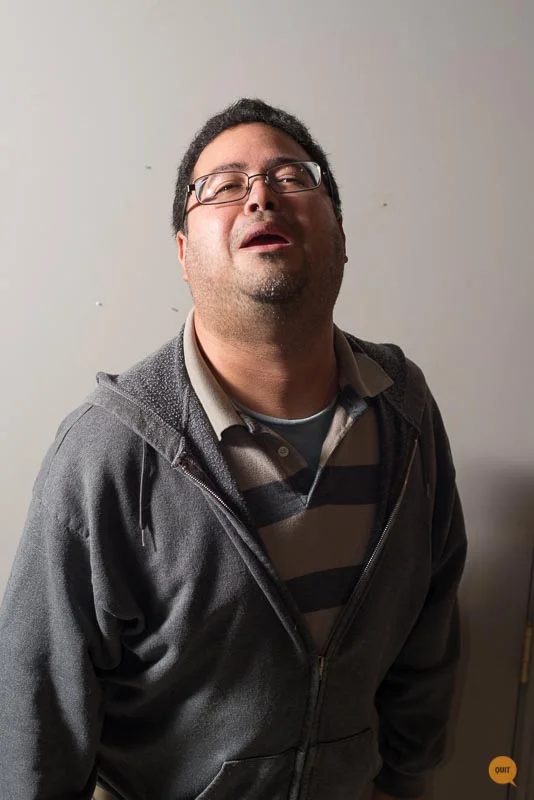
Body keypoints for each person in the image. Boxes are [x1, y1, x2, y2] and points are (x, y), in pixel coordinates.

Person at [0, 97, 467, 800]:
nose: (260, 197)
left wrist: (405, 782)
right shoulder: (108, 452)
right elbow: (37, 716)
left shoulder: (404, 407)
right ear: (184, 254)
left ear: (340, 234)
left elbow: (430, 627)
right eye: (222, 186)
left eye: (291, 177)